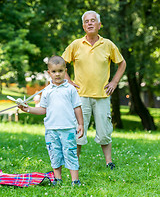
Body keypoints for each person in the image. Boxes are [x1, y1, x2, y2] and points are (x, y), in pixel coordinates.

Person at [62, 10, 126, 169]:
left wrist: (114, 82)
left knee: (104, 131)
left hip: (102, 96)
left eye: (93, 20)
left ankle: (108, 162)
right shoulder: (76, 44)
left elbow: (122, 63)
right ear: (83, 26)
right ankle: (74, 162)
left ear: (99, 24)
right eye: (86, 21)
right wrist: (68, 81)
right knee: (78, 132)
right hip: (80, 97)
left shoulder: (108, 44)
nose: (89, 23)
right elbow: (61, 64)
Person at [19, 56, 84, 186]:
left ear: (65, 71)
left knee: (70, 153)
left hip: (67, 128)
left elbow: (77, 107)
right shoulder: (47, 91)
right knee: (55, 154)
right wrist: (27, 109)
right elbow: (43, 109)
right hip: (51, 129)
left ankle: (75, 180)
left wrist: (80, 124)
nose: (57, 74)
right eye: (54, 71)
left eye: (60, 71)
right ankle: (57, 179)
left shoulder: (70, 89)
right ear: (49, 73)